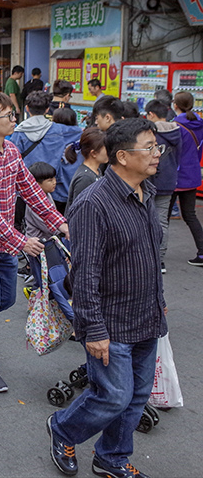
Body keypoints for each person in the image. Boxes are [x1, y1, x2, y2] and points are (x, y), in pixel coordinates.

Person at [47, 119, 166, 478]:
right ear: (122, 156)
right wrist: (94, 328)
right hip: (111, 322)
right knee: (113, 395)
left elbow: (147, 254)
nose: (156, 154)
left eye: (156, 147)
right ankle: (63, 428)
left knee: (135, 398)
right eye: (149, 148)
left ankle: (111, 458)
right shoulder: (93, 204)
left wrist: (158, 302)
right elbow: (84, 273)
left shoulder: (148, 193)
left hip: (147, 316)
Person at [0, 91, 68, 393]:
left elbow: (32, 191)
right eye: (10, 116)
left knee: (5, 300)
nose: (15, 119)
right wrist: (22, 242)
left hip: (5, 242)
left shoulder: (10, 150)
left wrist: (60, 223)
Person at [10, 91, 83, 212]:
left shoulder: (18, 132)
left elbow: (12, 160)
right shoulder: (58, 129)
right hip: (51, 185)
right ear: (47, 109)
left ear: (27, 108)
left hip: (26, 187)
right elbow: (78, 132)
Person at [144, 99, 181, 273]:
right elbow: (179, 157)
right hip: (169, 180)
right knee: (162, 221)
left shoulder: (151, 133)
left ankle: (147, 257)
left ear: (151, 114)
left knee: (144, 218)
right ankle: (160, 260)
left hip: (149, 180)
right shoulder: (177, 131)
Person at [170, 91, 203, 266]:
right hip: (193, 174)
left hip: (176, 175)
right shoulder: (199, 123)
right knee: (190, 216)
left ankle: (156, 257)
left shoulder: (175, 126)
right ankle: (202, 252)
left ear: (175, 105)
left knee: (162, 217)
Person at [65, 127, 108, 210]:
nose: (109, 152)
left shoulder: (96, 171)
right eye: (106, 148)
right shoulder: (85, 178)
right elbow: (80, 210)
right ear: (94, 153)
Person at [23, 162, 58, 240]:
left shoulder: (47, 194)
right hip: (37, 243)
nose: (54, 182)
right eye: (50, 180)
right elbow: (49, 227)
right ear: (37, 184)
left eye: (54, 178)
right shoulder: (34, 203)